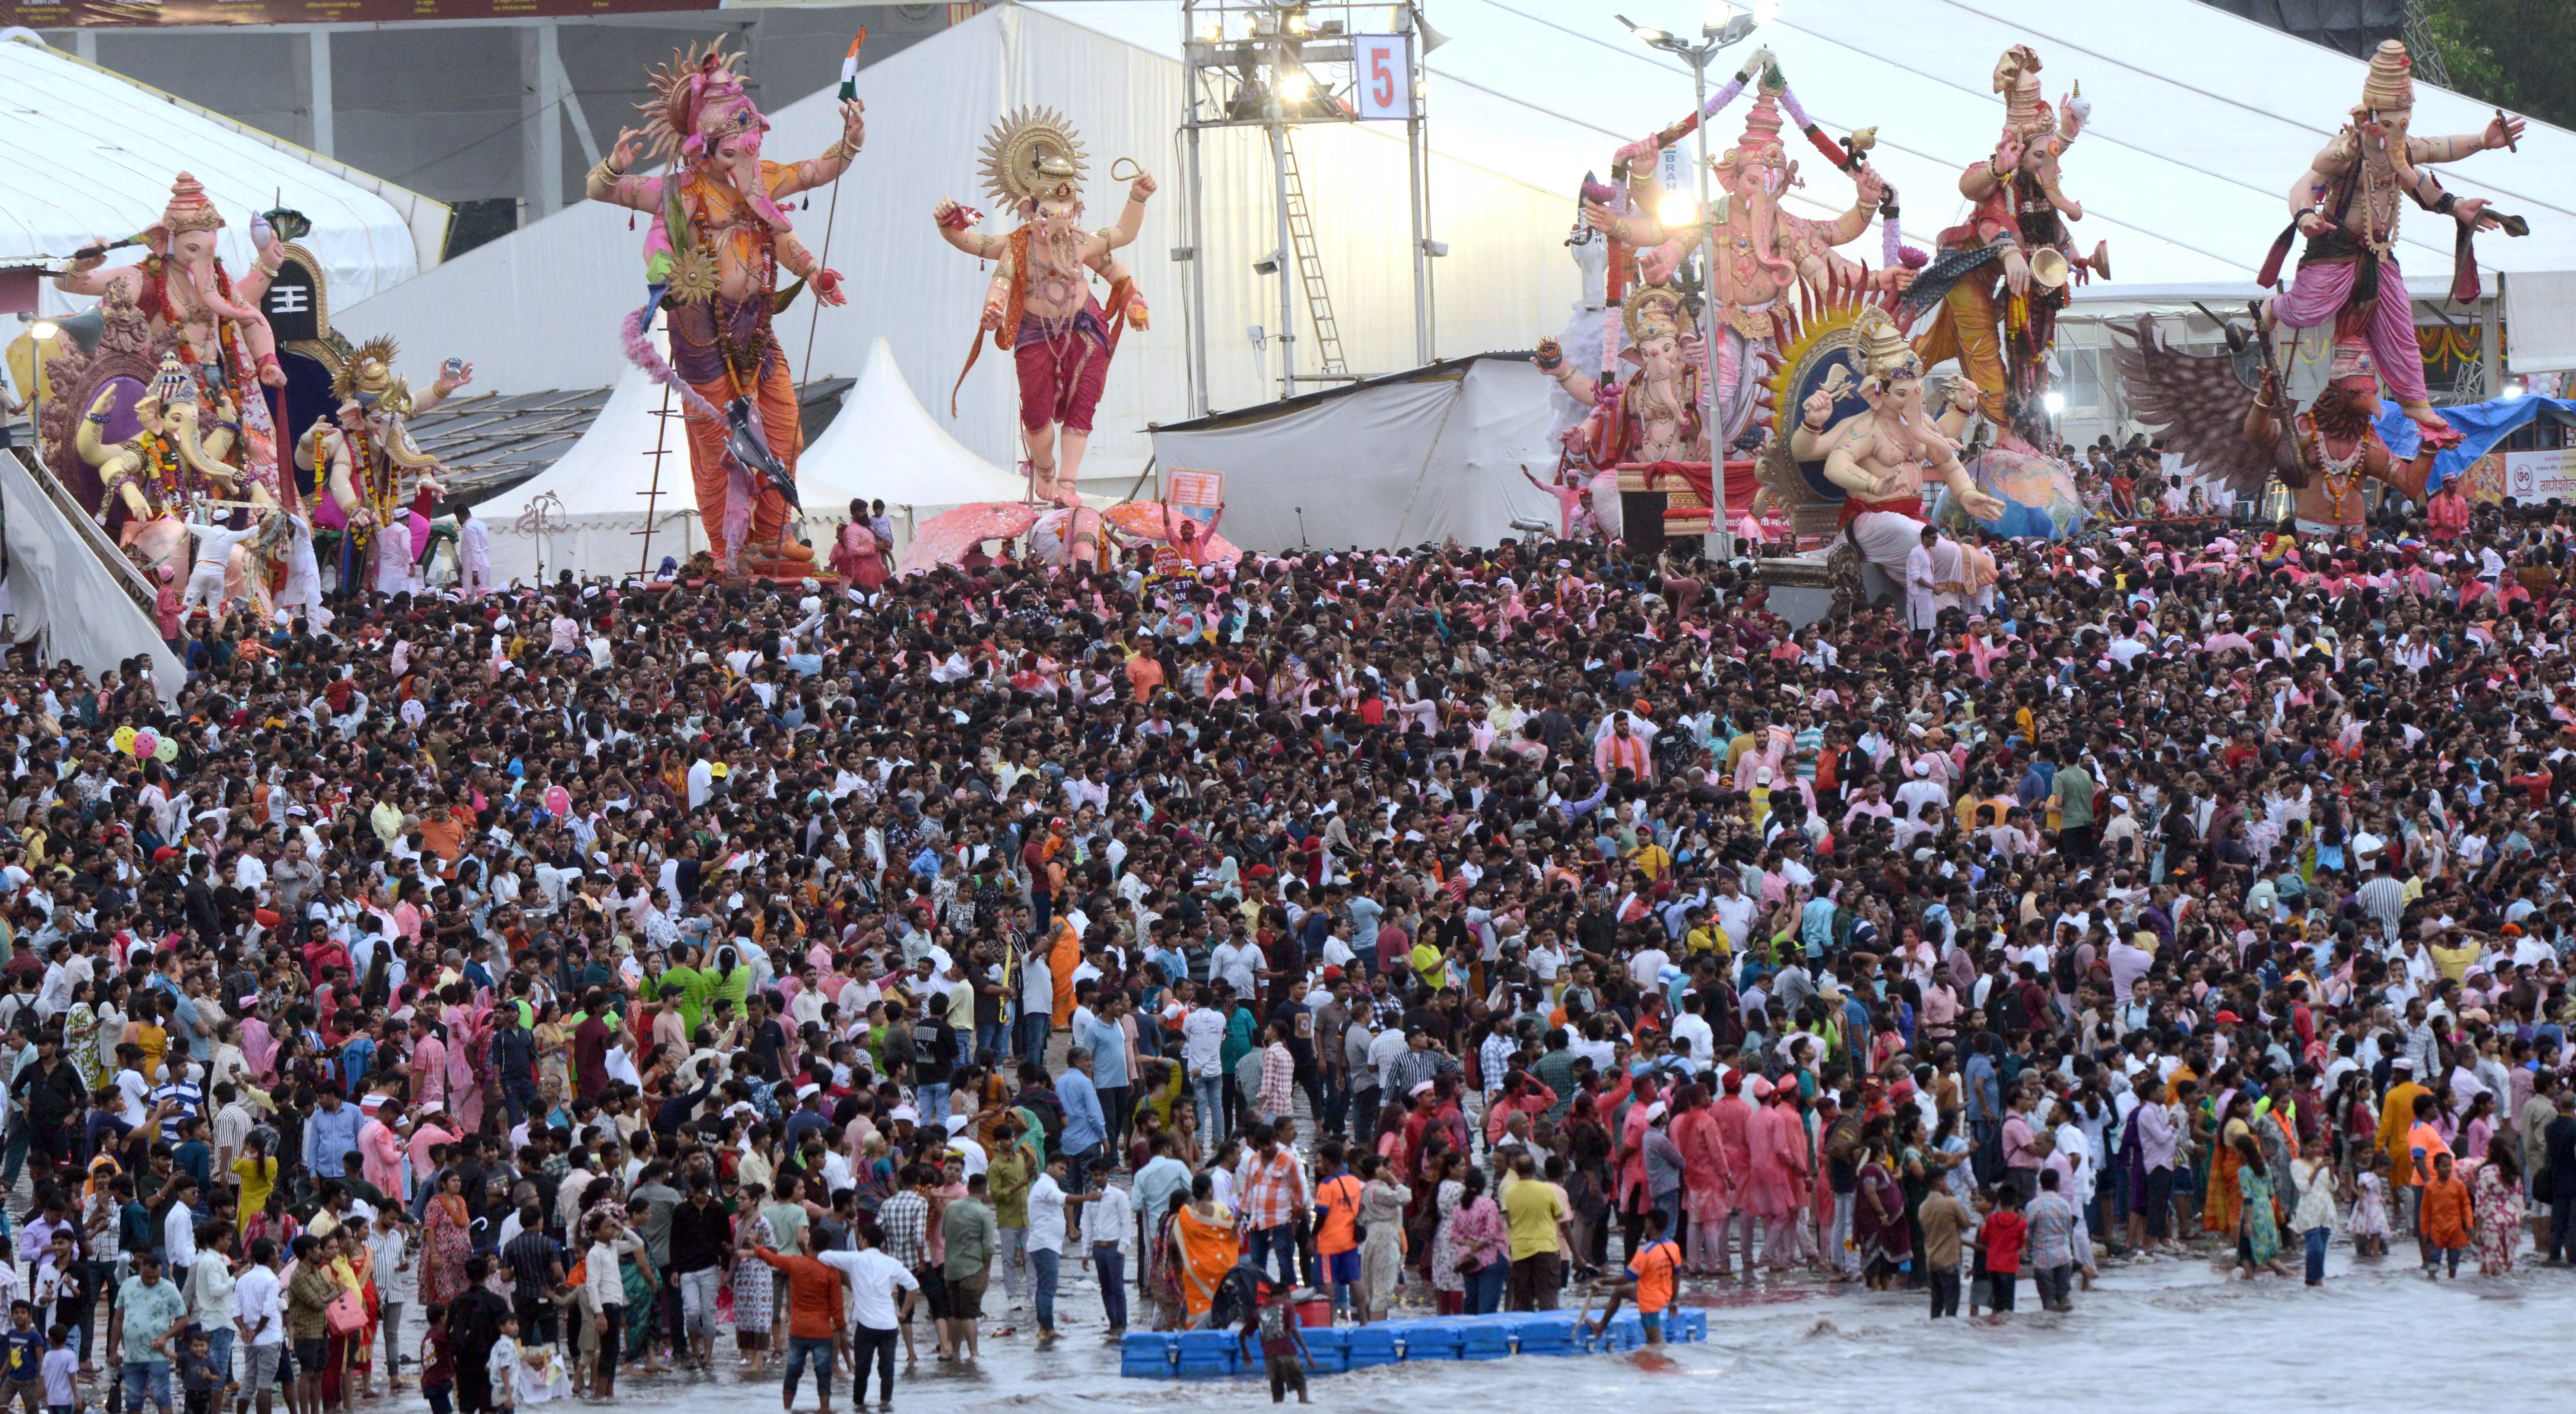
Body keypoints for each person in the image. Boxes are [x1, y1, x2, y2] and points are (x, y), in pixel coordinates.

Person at [1583, 1208, 1680, 1344]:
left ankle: (1661, 1364)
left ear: (1651, 1224)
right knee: (1619, 1292)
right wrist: (1674, 1301)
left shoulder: (1646, 1251)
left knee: (1655, 1340)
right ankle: (1601, 1327)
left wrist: (1603, 1281)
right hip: (1664, 1295)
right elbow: (1677, 1276)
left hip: (1649, 1301)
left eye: (1646, 1223)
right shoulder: (1673, 1247)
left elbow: (1626, 1278)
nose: (1645, 1226)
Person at [1236, 1279, 1308, 1407]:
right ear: (1285, 1295)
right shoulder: (1288, 1306)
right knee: (1302, 1394)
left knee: (1277, 1399)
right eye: (1288, 1297)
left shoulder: (1259, 1312)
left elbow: (1242, 1335)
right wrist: (1307, 1354)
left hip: (1270, 1360)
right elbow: (1293, 1329)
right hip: (1288, 1354)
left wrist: (1246, 1353)